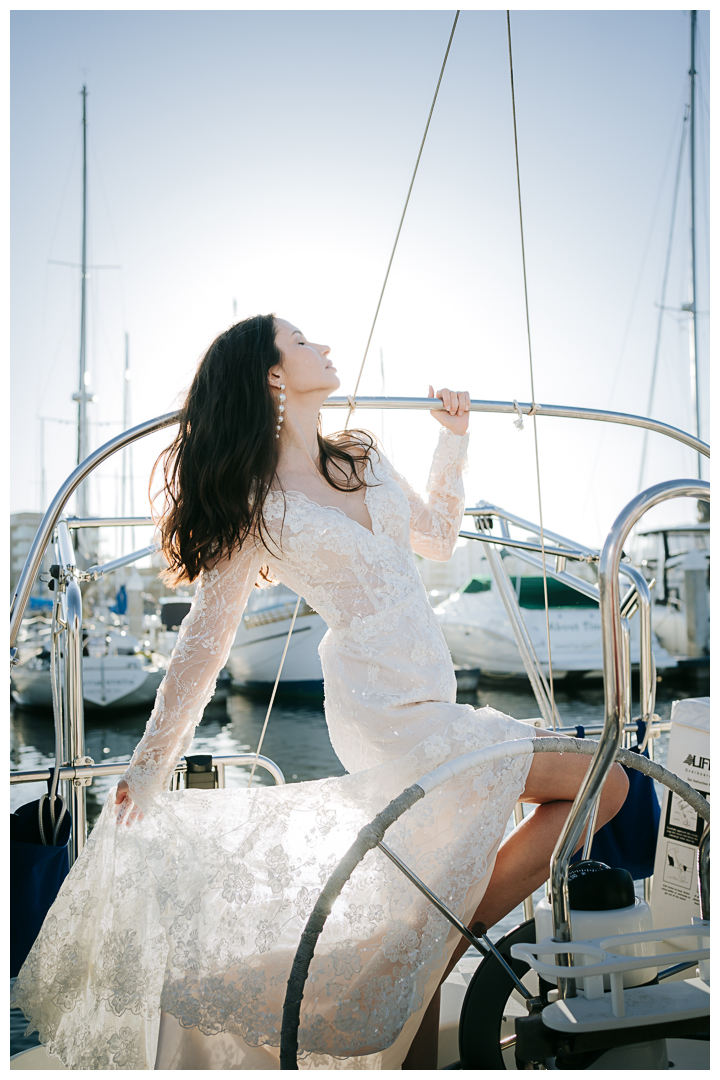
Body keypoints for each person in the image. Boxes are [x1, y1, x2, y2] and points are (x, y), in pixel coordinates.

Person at [12, 314, 628, 1070]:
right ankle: (434, 944)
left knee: (434, 907)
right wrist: (147, 762)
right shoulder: (254, 505)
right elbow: (203, 648)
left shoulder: (363, 453)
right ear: (274, 376)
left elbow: (435, 537)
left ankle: (424, 951)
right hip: (382, 714)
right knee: (609, 781)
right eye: (303, 342)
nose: (325, 348)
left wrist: (452, 440)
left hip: (435, 698)